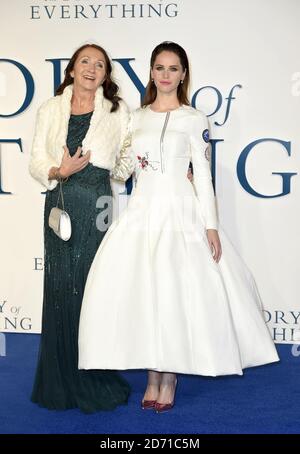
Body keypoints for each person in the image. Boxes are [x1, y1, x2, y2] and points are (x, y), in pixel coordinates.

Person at [78, 41, 279, 413]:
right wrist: (96, 157)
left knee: (173, 293)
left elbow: (203, 176)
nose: (165, 75)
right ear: (151, 72)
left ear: (184, 74)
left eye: (173, 68)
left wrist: (211, 226)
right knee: (148, 293)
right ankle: (153, 374)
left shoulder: (194, 119)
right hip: (142, 212)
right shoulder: (135, 118)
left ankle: (169, 377)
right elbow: (123, 171)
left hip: (181, 212)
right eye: (159, 67)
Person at [29, 43, 132, 412]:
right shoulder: (49, 109)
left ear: (106, 75)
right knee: (60, 287)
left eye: (100, 64)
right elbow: (37, 159)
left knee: (92, 289)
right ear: (72, 69)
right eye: (85, 61)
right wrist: (59, 171)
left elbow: (128, 159)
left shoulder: (117, 111)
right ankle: (60, 377)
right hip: (60, 202)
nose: (92, 68)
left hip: (97, 206)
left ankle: (92, 373)